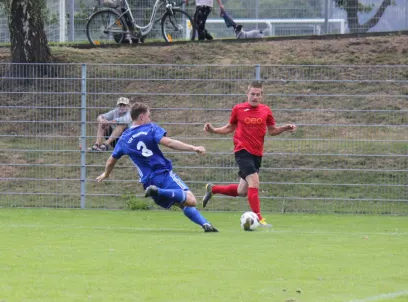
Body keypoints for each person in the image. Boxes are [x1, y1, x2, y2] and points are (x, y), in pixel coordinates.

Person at [96, 102, 218, 233]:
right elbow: (170, 143)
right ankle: (157, 191)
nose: (150, 118)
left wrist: (106, 174)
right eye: (149, 116)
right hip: (162, 173)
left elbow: (111, 161)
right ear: (142, 117)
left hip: (147, 181)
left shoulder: (124, 139)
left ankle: (205, 224)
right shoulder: (150, 128)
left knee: (182, 203)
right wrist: (193, 148)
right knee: (191, 200)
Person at [203, 80, 296, 227]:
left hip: (257, 154)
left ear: (262, 96)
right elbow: (229, 128)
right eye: (252, 94)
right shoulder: (238, 109)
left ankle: (213, 189)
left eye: (258, 94)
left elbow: (272, 131)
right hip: (242, 151)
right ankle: (259, 219)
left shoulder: (266, 110)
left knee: (242, 191)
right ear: (247, 94)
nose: (255, 97)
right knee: (254, 181)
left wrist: (284, 128)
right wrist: (213, 130)